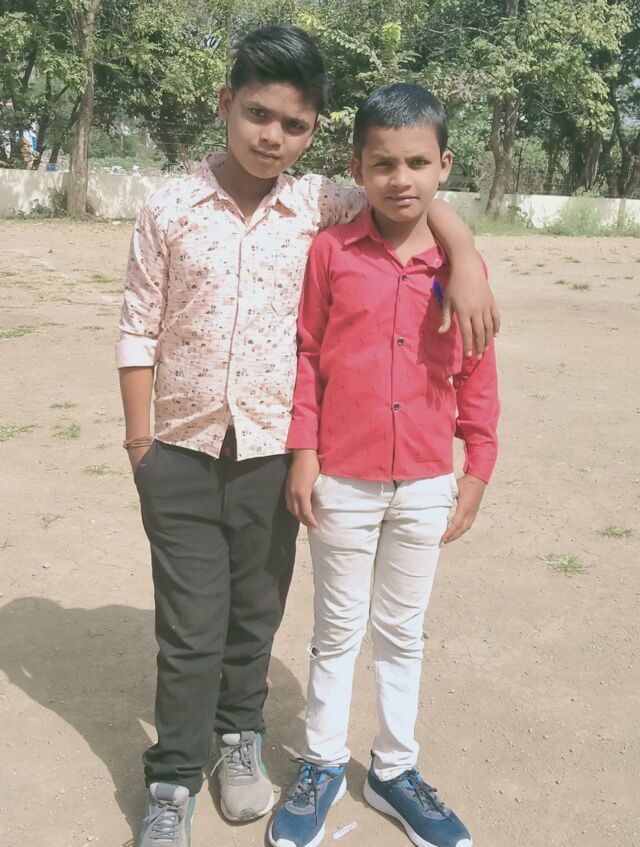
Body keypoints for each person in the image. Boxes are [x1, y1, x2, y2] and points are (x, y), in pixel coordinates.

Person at [116, 26, 498, 847]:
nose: (272, 136)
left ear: (314, 132)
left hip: (270, 454)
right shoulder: (169, 207)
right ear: (226, 103)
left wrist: (464, 253)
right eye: (257, 114)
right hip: (179, 449)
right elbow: (137, 329)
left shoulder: (321, 201)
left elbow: (411, 187)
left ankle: (238, 739)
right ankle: (173, 778)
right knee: (190, 627)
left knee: (255, 614)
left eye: (293, 124)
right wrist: (140, 446)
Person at [270, 83, 499, 847]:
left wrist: (477, 465)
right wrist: (305, 451)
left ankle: (395, 769)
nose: (401, 179)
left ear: (444, 166)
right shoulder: (332, 253)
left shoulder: (460, 268)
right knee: (336, 630)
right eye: (383, 164)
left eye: (417, 163)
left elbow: (477, 368)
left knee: (402, 631)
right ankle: (322, 762)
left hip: (428, 480)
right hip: (343, 476)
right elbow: (307, 354)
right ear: (357, 168)